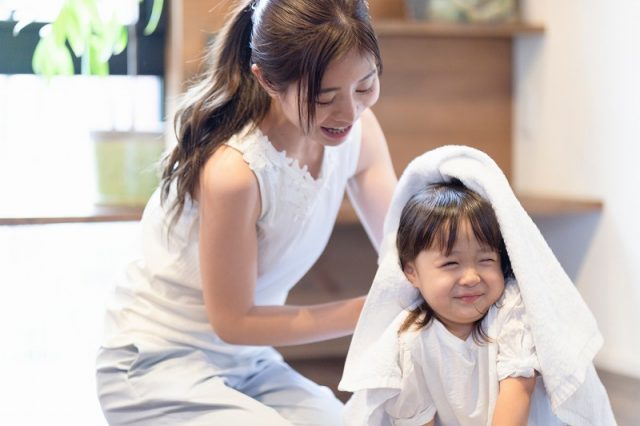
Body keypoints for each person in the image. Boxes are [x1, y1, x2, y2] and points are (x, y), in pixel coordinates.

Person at [95, 0, 397, 424]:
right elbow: (233, 322)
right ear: (268, 79)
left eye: (365, 86)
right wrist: (370, 311)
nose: (349, 112)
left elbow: (403, 248)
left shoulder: (360, 133)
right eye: (324, 97)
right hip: (155, 361)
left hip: (249, 364)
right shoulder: (235, 172)